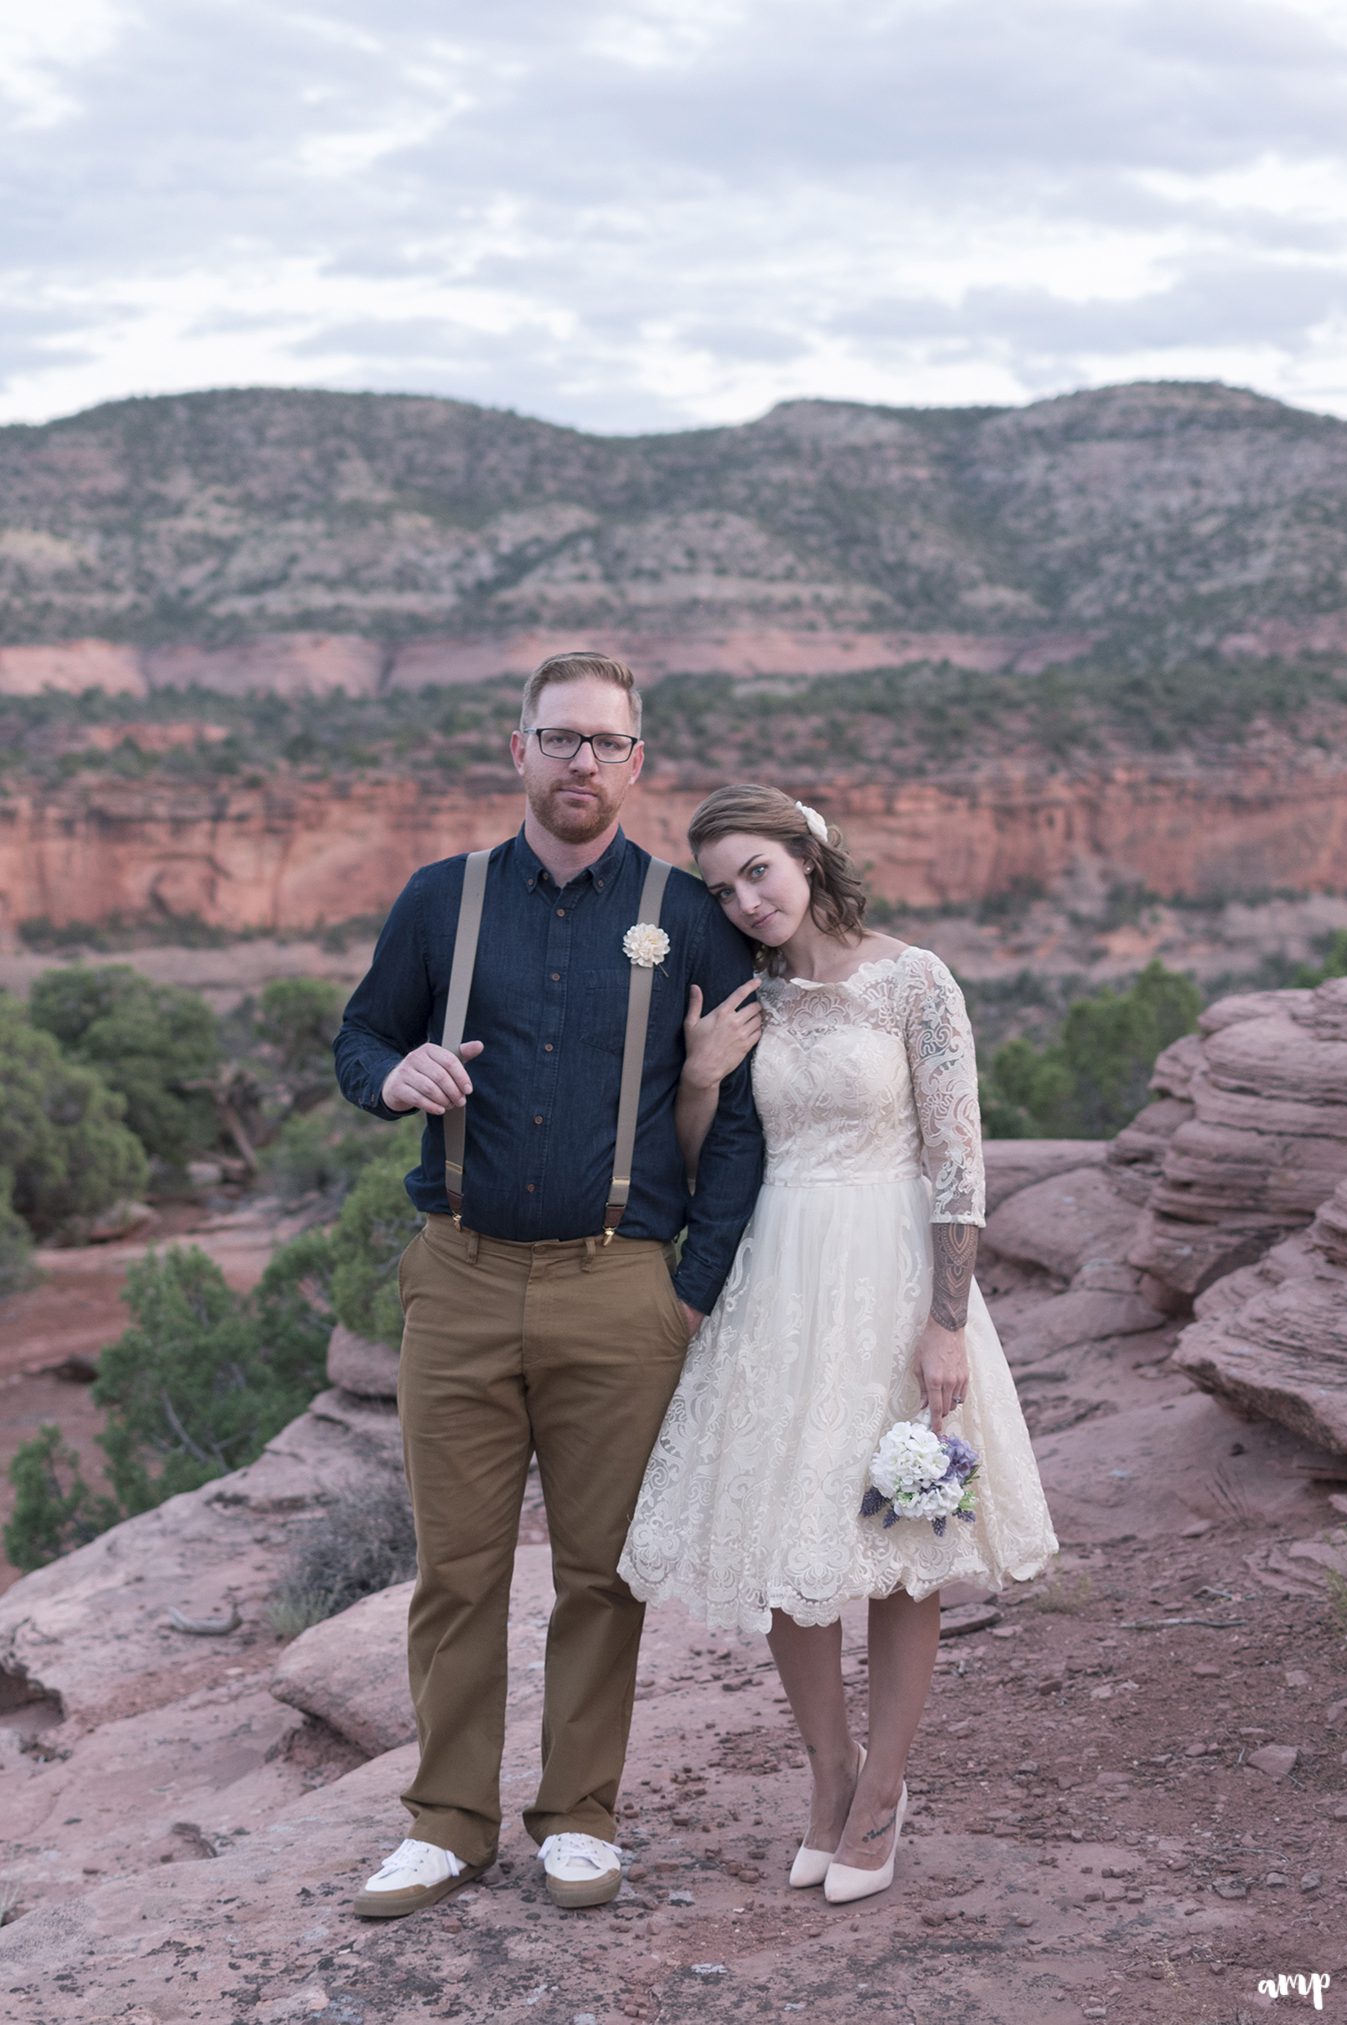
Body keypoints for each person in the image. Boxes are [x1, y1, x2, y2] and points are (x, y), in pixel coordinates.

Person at [333, 653, 763, 1916]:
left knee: (601, 1574)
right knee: (457, 1572)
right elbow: (360, 1035)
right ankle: (447, 1824)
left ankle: (579, 1815)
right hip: (458, 1278)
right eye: (559, 738)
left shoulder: (691, 913)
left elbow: (737, 1119)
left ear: (638, 765)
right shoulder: (441, 900)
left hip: (621, 1288)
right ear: (514, 748)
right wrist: (390, 1075)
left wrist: (690, 1288)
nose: (582, 764)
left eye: (605, 745)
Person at [619, 783, 1059, 1904]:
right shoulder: (744, 998)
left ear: (808, 855)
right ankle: (829, 1777)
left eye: (758, 871)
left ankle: (885, 1794)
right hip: (779, 1274)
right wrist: (705, 1074)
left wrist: (946, 1322)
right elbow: (695, 1155)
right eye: (721, 888)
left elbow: (960, 1162)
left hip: (890, 1267)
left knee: (901, 1540)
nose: (746, 900)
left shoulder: (915, 980)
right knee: (785, 1535)